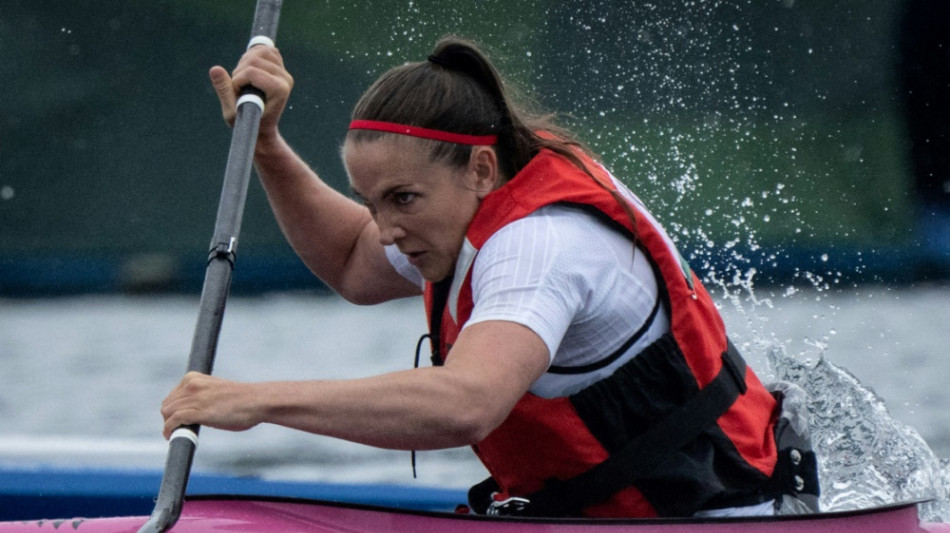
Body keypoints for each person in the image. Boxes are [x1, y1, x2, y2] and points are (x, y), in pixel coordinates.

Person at [161, 37, 811, 518]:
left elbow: (466, 402)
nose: (383, 228)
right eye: (373, 200)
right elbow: (355, 264)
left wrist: (255, 402)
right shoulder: (466, 208)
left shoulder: (538, 246)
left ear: (478, 169)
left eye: (402, 199)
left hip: (722, 515)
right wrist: (268, 144)